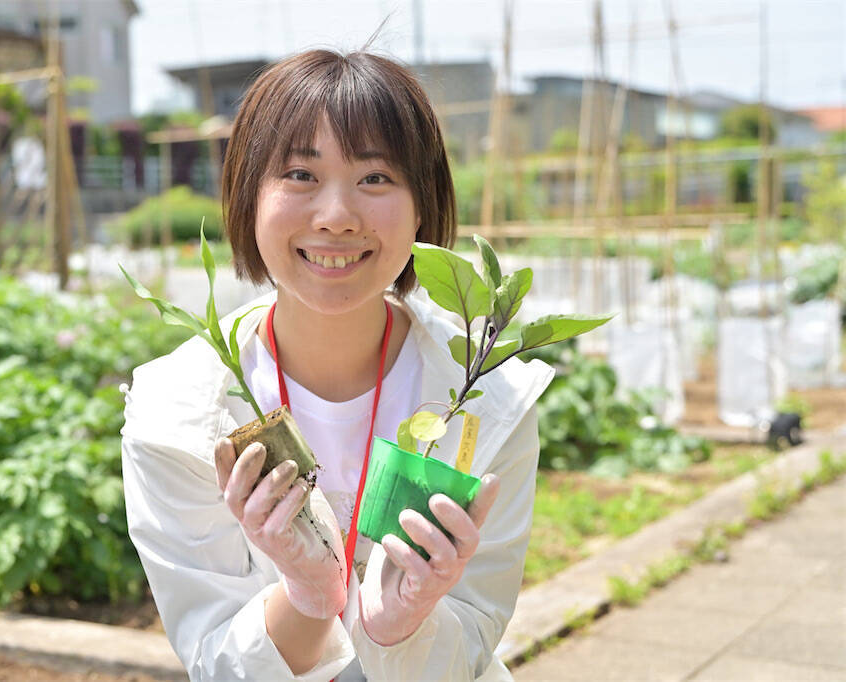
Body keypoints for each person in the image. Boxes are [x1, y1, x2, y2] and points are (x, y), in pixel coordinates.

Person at [120, 48, 554, 681]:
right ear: (248, 194)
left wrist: (397, 624)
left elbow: (473, 640)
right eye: (300, 174)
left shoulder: (487, 399)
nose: (336, 216)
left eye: (375, 178)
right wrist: (308, 596)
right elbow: (214, 657)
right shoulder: (180, 411)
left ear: (423, 202)